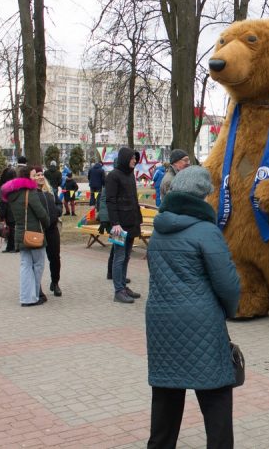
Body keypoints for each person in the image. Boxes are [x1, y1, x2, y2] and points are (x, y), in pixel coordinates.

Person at [146, 166, 240, 449]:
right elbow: (228, 284)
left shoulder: (158, 229)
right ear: (202, 197)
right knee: (216, 398)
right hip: (201, 323)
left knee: (165, 398)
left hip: (161, 323)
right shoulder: (206, 231)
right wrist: (228, 310)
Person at [1, 166, 50, 307]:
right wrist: (47, 223)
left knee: (25, 266)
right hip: (34, 233)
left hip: (20, 233)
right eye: (34, 175)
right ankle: (33, 296)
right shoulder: (30, 192)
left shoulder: (12, 194)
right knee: (38, 265)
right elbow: (41, 213)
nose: (36, 177)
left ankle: (25, 297)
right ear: (27, 177)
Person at [106, 147, 143, 303]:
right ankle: (118, 291)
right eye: (132, 158)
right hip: (118, 225)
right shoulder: (113, 176)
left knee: (127, 256)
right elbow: (110, 200)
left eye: (135, 158)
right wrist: (115, 223)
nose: (135, 161)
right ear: (125, 159)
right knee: (119, 257)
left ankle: (123, 286)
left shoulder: (130, 175)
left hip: (132, 222)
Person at [32, 166, 64, 296]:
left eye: (41, 174)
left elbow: (59, 204)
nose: (40, 177)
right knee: (38, 261)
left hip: (52, 229)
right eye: (37, 175)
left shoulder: (50, 191)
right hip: (38, 230)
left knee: (55, 258)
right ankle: (36, 286)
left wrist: (57, 212)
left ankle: (55, 282)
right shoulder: (32, 193)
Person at [0, 163, 18, 253]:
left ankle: (12, 246)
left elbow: (3, 202)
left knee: (11, 229)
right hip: (13, 209)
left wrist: (2, 214)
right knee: (11, 228)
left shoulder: (5, 188)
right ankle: (10, 246)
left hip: (8, 209)